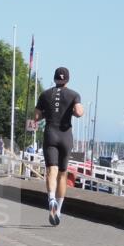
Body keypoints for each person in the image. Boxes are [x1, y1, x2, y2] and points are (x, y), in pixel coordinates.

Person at [34, 66, 83, 226]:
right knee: (62, 174)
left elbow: (36, 117)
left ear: (55, 79)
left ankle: (51, 199)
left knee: (51, 171)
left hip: (50, 134)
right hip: (65, 135)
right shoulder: (74, 95)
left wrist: (45, 112)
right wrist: (74, 109)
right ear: (67, 79)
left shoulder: (45, 94)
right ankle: (59, 211)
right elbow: (79, 112)